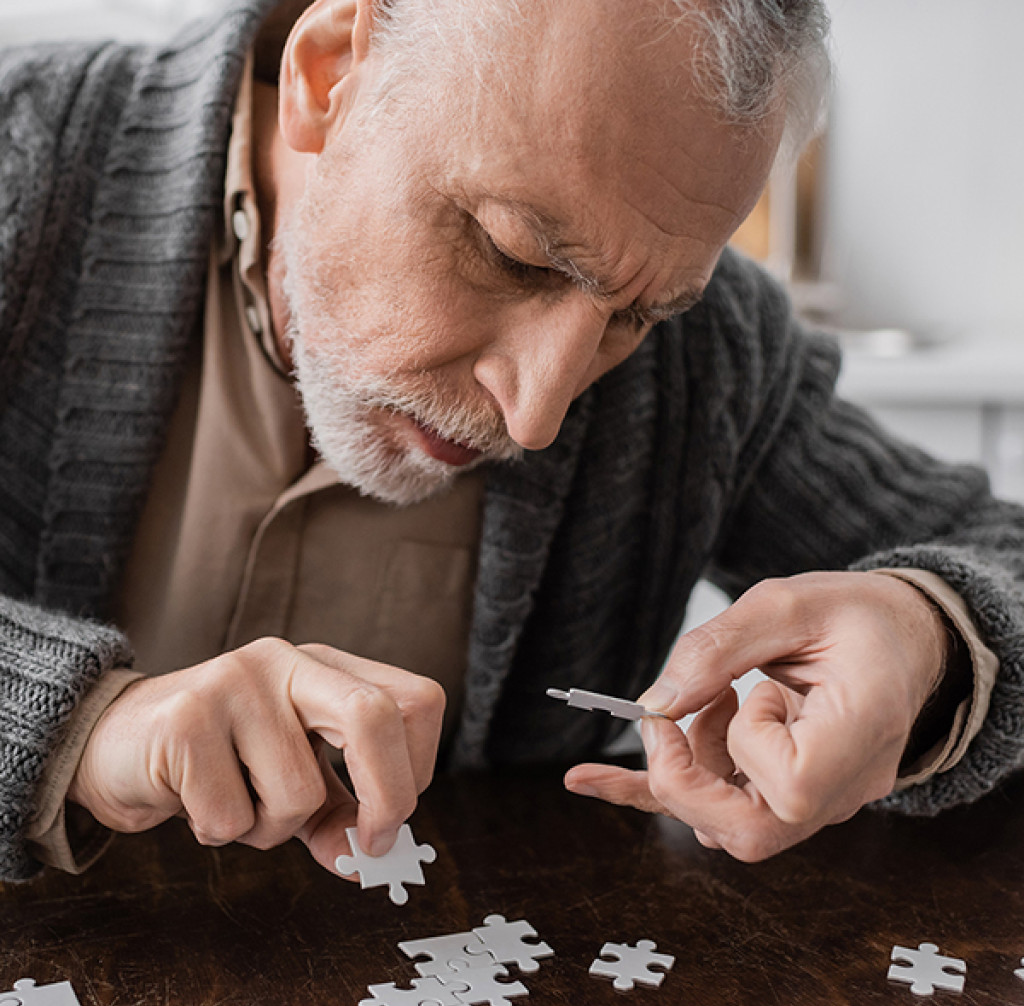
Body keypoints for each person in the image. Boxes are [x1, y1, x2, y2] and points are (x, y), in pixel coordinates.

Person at [1, 0, 1022, 885]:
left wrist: (934, 639)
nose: (536, 415)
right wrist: (83, 731)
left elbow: (999, 560)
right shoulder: (24, 157)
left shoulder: (714, 358)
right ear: (329, 74)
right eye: (510, 251)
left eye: (636, 318)